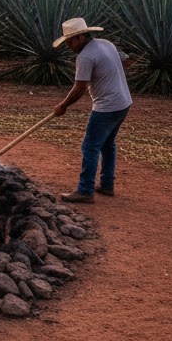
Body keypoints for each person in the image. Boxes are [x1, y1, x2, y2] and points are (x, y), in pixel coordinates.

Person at [52, 17, 132, 203]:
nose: (69, 46)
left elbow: (79, 88)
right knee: (107, 144)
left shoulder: (85, 56)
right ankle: (107, 185)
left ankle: (85, 190)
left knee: (90, 147)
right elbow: (127, 61)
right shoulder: (106, 44)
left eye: (70, 41)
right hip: (124, 102)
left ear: (81, 37)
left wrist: (63, 106)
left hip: (106, 107)